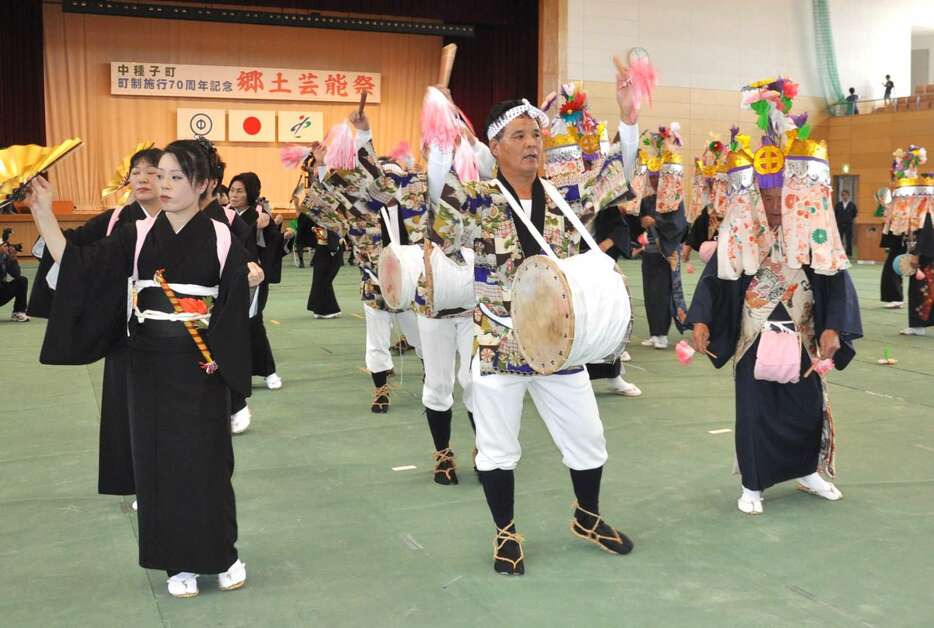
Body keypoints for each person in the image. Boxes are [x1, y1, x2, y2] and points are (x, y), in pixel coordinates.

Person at [24, 139, 264, 598]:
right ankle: (177, 563)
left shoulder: (220, 236)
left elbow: (235, 308)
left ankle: (222, 553)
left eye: (177, 177)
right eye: (162, 175)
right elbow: (80, 265)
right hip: (147, 365)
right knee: (158, 465)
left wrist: (249, 281)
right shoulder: (135, 233)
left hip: (201, 368)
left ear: (204, 185)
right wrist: (42, 212)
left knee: (209, 464)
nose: (165, 185)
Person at [430, 62, 644, 575]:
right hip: (501, 344)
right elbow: (436, 215)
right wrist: (439, 140)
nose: (532, 143)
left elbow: (618, 174)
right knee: (498, 449)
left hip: (560, 345)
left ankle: (587, 516)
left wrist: (630, 119)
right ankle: (505, 533)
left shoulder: (565, 197)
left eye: (536, 135)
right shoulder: (477, 200)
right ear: (495, 147)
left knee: (588, 439)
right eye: (519, 136)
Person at [687, 77, 862, 516]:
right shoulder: (740, 226)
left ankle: (807, 471)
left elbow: (836, 278)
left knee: (804, 407)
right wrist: (702, 319)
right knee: (755, 411)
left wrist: (833, 327)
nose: (771, 202)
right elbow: (715, 276)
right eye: (765, 193)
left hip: (801, 330)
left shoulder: (814, 228)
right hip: (754, 334)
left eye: (778, 194)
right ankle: (753, 484)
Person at [28, 146, 164, 500]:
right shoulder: (118, 221)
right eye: (136, 171)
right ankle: (139, 484)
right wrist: (43, 212)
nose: (143, 177)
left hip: (176, 335)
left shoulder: (187, 219)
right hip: (125, 330)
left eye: (153, 171)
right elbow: (75, 259)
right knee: (127, 409)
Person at [302, 118, 422, 414]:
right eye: (385, 182)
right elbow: (324, 204)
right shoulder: (361, 215)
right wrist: (319, 168)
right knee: (377, 343)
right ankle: (381, 390)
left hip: (413, 290)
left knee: (424, 341)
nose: (391, 188)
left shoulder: (417, 214)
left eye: (396, 183)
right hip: (375, 286)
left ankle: (434, 381)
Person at [200, 146, 261, 435]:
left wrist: (249, 267)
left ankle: (235, 402)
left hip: (218, 299)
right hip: (180, 307)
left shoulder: (228, 219)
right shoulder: (169, 216)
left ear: (210, 182)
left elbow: (246, 255)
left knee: (222, 349)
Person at [229, 172, 285, 391]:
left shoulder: (258, 215)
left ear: (250, 193)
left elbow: (273, 243)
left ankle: (268, 371)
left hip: (253, 278)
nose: (234, 194)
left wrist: (267, 229)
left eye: (239, 190)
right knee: (229, 325)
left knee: (253, 324)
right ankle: (232, 372)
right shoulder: (225, 215)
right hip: (228, 277)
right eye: (232, 189)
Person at [637, 125, 689, 350]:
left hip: (666, 252)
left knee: (664, 292)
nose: (656, 180)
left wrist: (655, 222)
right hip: (649, 251)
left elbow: (678, 225)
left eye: (659, 176)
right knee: (650, 292)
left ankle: (663, 334)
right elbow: (637, 218)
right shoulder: (648, 198)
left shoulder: (674, 198)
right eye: (654, 176)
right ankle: (654, 331)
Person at [889, 147, 934, 335]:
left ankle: (918, 325)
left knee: (921, 290)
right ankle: (918, 325)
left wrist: (916, 255)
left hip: (926, 257)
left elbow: (926, 234)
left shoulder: (927, 211)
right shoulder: (922, 210)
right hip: (926, 255)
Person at [0, 231, 28, 322]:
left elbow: (16, 274)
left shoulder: (4, 257)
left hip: (1, 291)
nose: (5, 248)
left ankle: (18, 312)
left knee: (22, 280)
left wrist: (13, 259)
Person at [834, 189, 857, 256]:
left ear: (848, 195)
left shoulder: (852, 205)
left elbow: (854, 214)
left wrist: (849, 219)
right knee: (839, 238)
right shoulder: (838, 205)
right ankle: (839, 252)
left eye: (846, 195)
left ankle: (849, 253)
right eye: (843, 195)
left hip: (848, 224)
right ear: (841, 196)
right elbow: (835, 214)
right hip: (840, 224)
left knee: (848, 239)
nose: (844, 196)